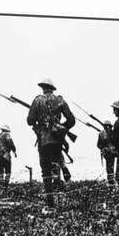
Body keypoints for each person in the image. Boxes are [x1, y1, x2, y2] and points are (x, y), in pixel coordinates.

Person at [27, 78, 75, 208]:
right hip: (57, 138)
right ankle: (63, 167)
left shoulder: (37, 100)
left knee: (46, 170)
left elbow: (30, 121)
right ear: (52, 89)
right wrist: (60, 128)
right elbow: (71, 120)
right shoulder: (60, 99)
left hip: (44, 139)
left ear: (43, 88)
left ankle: (51, 204)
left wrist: (39, 118)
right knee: (58, 158)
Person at [97, 120, 116, 186]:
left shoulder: (102, 133)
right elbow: (99, 145)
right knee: (110, 167)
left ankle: (112, 181)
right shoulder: (112, 133)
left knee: (110, 167)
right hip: (111, 152)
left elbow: (99, 145)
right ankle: (111, 182)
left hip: (110, 152)